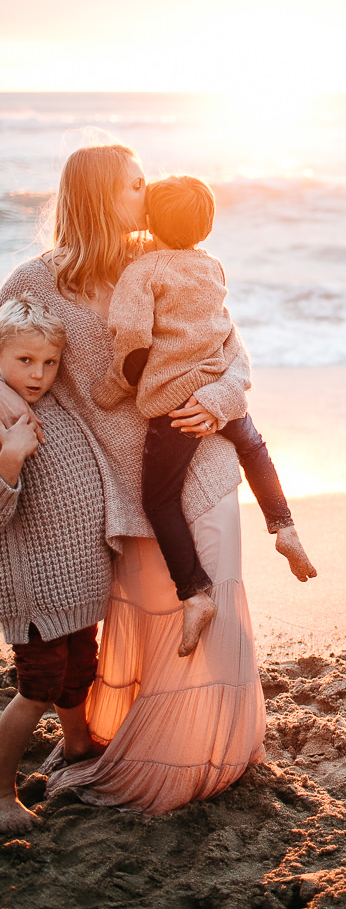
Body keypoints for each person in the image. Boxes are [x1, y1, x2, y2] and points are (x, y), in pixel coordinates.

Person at [0, 143, 272, 815]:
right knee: (129, 626)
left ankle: (205, 753)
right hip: (99, 489)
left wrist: (222, 398)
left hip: (190, 461)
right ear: (98, 197)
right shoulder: (35, 281)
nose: (147, 193)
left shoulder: (166, 261)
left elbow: (232, 349)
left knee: (211, 621)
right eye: (134, 184)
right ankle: (110, 741)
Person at [94, 174, 316, 657]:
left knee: (159, 500)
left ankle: (194, 593)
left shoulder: (144, 270)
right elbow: (220, 328)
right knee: (253, 448)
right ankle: (284, 526)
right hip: (219, 384)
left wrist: (117, 386)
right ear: (208, 226)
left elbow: (133, 342)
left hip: (175, 403)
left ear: (150, 219)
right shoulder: (212, 266)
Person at [0, 296, 112, 833]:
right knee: (37, 686)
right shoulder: (3, 417)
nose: (39, 374)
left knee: (79, 671)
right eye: (24, 361)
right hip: (35, 588)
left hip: (79, 581)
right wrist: (10, 456)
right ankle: (0, 795)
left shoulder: (55, 405)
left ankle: (76, 743)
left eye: (48, 363)